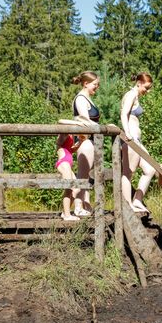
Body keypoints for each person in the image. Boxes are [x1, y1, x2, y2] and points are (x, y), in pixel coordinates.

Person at [120, 72, 156, 213]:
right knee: (128, 173)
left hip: (137, 140)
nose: (147, 91)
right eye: (146, 88)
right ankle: (127, 204)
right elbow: (124, 113)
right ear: (139, 83)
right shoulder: (131, 94)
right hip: (132, 139)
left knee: (150, 169)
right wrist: (127, 133)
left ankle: (137, 200)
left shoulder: (136, 96)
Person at [71, 71, 100, 216]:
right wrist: (101, 128)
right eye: (95, 84)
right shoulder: (81, 99)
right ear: (86, 83)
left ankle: (85, 205)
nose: (97, 87)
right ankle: (77, 207)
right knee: (82, 175)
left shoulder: (87, 98)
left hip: (90, 140)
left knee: (86, 174)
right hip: (85, 140)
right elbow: (85, 120)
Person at [55, 133, 83, 221]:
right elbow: (61, 121)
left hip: (68, 164)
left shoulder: (71, 135)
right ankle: (67, 215)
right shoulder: (64, 133)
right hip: (64, 163)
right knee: (69, 188)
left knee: (76, 188)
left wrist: (80, 142)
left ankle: (64, 212)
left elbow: (70, 150)